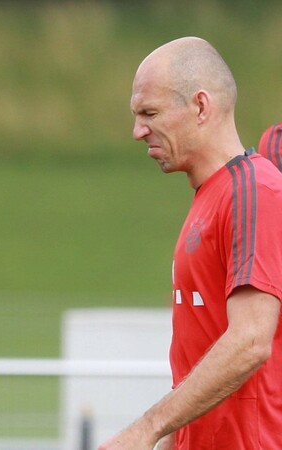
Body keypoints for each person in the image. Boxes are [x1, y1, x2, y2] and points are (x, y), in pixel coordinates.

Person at [100, 37, 282, 449]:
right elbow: (200, 364)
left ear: (201, 107)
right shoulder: (212, 197)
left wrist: (144, 430)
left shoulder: (254, 191)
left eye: (150, 113)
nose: (137, 131)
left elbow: (251, 340)